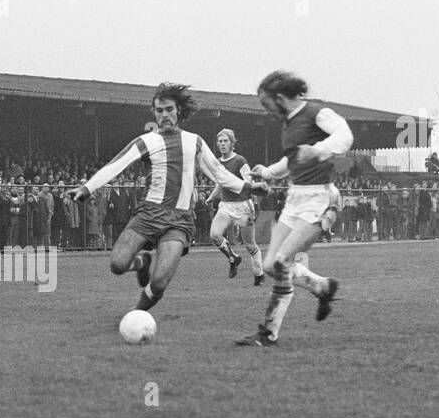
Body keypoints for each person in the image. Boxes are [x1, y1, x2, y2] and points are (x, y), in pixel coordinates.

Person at [66, 83, 260, 315]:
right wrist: (87, 188)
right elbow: (117, 164)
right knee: (117, 265)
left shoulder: (194, 141)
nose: (164, 114)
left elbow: (220, 173)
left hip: (179, 221)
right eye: (159, 110)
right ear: (154, 113)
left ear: (179, 111)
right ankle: (142, 263)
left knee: (158, 283)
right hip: (148, 214)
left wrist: (249, 187)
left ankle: (135, 314)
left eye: (169, 109)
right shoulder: (146, 141)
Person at [238, 71, 350, 347]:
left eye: (267, 105)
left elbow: (345, 134)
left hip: (320, 198)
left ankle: (268, 333)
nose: (267, 112)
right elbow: (291, 161)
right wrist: (267, 172)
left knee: (281, 262)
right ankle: (323, 287)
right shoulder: (288, 124)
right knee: (270, 265)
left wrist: (319, 150)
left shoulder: (314, 112)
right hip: (294, 199)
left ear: (279, 99)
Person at [205, 128, 264, 285]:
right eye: (220, 141)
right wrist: (211, 197)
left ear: (232, 143)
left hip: (243, 207)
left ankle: (259, 276)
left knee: (250, 245)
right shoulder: (218, 162)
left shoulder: (240, 161)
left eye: (226, 141)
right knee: (214, 235)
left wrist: (254, 201)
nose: (222, 144)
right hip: (225, 206)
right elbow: (220, 183)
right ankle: (233, 258)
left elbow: (249, 183)